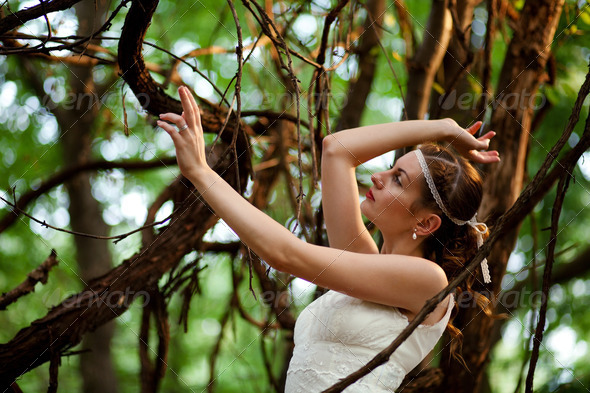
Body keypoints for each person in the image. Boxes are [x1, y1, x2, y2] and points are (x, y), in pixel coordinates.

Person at [158, 86, 500, 392]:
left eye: (398, 179)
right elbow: (336, 149)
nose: (378, 177)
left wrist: (202, 173)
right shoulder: (366, 262)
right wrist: (442, 129)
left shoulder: (430, 283)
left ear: (426, 223)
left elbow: (284, 254)